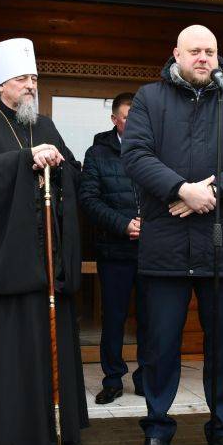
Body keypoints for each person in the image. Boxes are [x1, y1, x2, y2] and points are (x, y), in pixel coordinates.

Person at [122, 25, 223, 445]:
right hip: (165, 245)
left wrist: (215, 192)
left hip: (219, 247)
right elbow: (135, 153)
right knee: (161, 346)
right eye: (194, 51)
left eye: (210, 51)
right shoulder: (149, 98)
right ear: (176, 54)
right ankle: (156, 431)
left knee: (222, 348)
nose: (203, 58)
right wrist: (181, 190)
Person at [0, 38, 88, 445]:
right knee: (6, 360)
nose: (31, 86)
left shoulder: (43, 124)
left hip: (45, 266)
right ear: (0, 83)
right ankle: (4, 438)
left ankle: (51, 432)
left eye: (34, 78)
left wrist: (58, 167)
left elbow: (73, 172)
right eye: (23, 78)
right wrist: (24, 161)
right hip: (4, 268)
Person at [79, 93, 147, 404]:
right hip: (114, 250)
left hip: (152, 251)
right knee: (114, 318)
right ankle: (112, 379)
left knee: (152, 318)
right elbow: (89, 200)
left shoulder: (155, 149)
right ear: (115, 120)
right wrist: (123, 224)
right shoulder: (97, 153)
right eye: (128, 118)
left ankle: (146, 377)